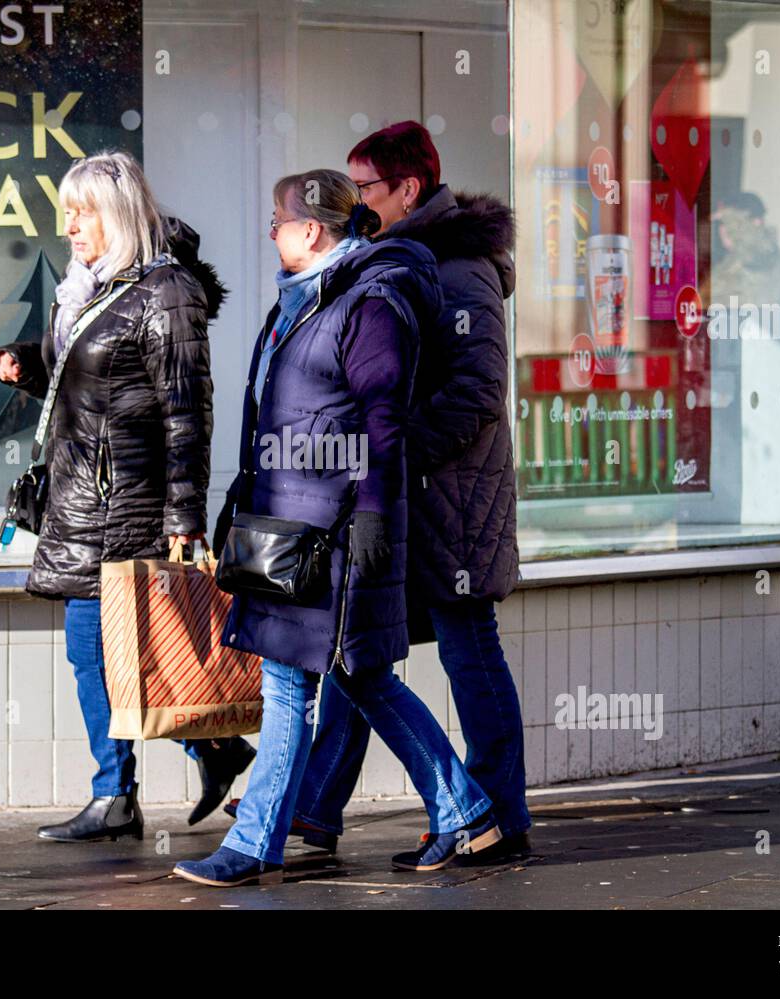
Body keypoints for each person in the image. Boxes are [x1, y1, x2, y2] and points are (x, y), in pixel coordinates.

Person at [172, 169, 502, 888]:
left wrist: (376, 517)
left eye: (278, 220)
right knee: (363, 678)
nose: (271, 231)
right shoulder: (303, 302)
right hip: (292, 523)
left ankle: (257, 841)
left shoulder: (371, 303)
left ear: (314, 229)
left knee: (296, 685)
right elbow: (273, 411)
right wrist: (241, 494)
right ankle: (468, 811)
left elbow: (383, 423)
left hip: (338, 532)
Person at [270, 121, 532, 863]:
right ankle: (318, 808)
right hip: (411, 497)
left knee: (466, 649)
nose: (355, 203)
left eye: (367, 189)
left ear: (408, 190)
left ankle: (496, 816)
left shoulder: (461, 270)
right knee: (361, 650)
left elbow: (479, 391)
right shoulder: (401, 260)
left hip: (452, 501)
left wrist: (396, 448)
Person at [0, 151, 255, 842]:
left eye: (82, 213)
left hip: (129, 506)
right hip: (84, 499)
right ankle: (205, 753)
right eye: (67, 214)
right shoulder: (89, 286)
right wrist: (29, 360)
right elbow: (87, 366)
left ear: (117, 215)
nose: (71, 228)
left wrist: (186, 515)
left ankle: (122, 792)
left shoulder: (166, 291)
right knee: (110, 653)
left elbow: (188, 408)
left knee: (109, 650)